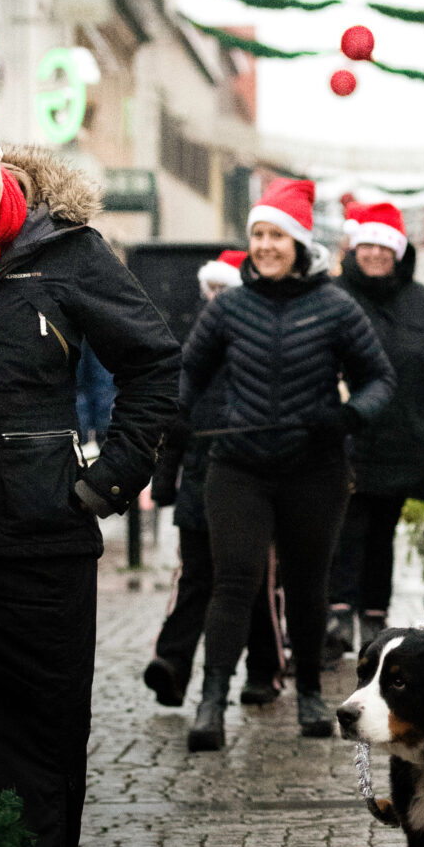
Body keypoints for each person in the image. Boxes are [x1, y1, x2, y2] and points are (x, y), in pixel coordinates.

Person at [0, 83, 180, 847]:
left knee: (45, 727)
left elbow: (153, 364)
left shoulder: (65, 254)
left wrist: (107, 482)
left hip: (43, 540)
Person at [178, 179, 396, 751]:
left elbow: (380, 379)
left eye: (277, 234)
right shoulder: (227, 308)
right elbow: (188, 374)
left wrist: (349, 417)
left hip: (315, 466)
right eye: (257, 234)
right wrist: (177, 421)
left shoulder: (335, 305)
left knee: (307, 585)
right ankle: (210, 702)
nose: (266, 245)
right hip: (238, 466)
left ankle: (307, 695)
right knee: (234, 580)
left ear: (299, 242)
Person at [329, 201, 424, 654]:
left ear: (398, 251)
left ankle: (373, 616)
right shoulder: (331, 296)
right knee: (344, 528)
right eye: (366, 245)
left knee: (382, 532)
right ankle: (336, 615)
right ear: (354, 249)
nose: (374, 254)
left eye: (383, 246)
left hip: (404, 437)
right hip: (342, 439)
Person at [145, 250, 285, 710]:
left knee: (254, 583)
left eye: (227, 292)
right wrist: (163, 482)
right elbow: (174, 421)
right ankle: (171, 664)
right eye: (213, 293)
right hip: (199, 485)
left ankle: (264, 670)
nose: (218, 302)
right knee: (195, 578)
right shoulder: (195, 351)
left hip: (251, 485)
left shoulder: (267, 349)